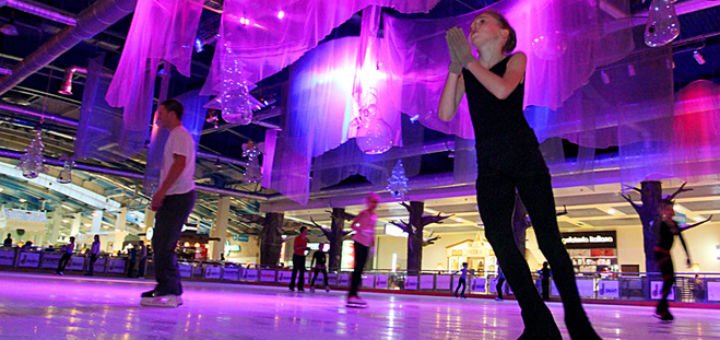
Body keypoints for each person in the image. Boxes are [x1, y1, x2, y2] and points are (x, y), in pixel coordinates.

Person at [438, 11, 599, 339]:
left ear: (503, 33)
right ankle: (537, 321)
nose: (473, 26)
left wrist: (467, 62)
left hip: (523, 153)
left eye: (482, 22)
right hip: (490, 161)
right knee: (498, 237)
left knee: (548, 237)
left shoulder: (516, 60)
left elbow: (502, 91)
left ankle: (577, 322)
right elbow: (444, 112)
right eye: (473, 24)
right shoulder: (469, 70)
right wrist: (456, 66)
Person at [141, 99, 197, 308]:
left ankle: (169, 289)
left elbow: (180, 164)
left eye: (161, 113)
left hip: (178, 196)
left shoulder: (179, 135)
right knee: (161, 243)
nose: (158, 117)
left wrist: (161, 192)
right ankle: (170, 287)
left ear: (172, 114)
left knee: (163, 243)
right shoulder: (176, 136)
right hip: (177, 196)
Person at [653, 198, 692, 321]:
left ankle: (662, 308)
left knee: (670, 280)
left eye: (672, 209)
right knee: (669, 279)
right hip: (660, 253)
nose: (672, 212)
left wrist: (688, 256)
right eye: (669, 209)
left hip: (666, 253)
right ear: (664, 211)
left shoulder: (673, 224)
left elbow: (681, 239)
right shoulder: (660, 223)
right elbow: (657, 234)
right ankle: (661, 308)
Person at [346, 192, 379, 308]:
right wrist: (361, 230)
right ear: (368, 202)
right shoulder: (363, 213)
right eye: (373, 201)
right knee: (358, 268)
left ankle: (354, 293)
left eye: (376, 202)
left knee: (361, 269)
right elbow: (353, 225)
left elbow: (373, 231)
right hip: (359, 241)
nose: (375, 204)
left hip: (366, 243)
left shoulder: (374, 216)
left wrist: (373, 246)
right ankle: (352, 294)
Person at [289, 227, 310, 292]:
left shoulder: (306, 239)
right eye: (305, 231)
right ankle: (292, 286)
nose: (306, 232)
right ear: (302, 231)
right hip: (297, 256)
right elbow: (296, 248)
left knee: (302, 272)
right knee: (295, 271)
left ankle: (300, 287)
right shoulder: (297, 238)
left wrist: (306, 249)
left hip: (302, 256)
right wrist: (304, 247)